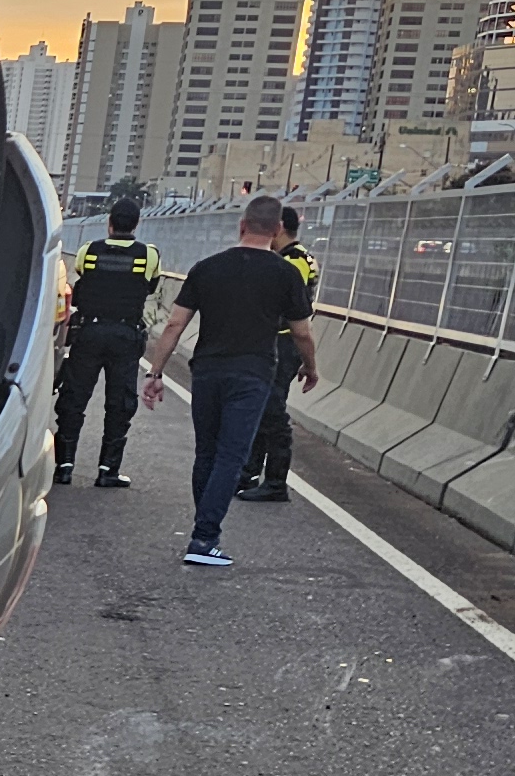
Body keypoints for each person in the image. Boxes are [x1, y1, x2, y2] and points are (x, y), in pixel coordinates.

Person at [144, 193, 317, 566]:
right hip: (253, 374)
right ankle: (204, 539)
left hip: (206, 371)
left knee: (206, 451)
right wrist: (310, 367)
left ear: (242, 225)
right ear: (276, 231)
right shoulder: (285, 273)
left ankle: (202, 529)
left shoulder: (206, 268)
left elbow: (174, 324)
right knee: (231, 455)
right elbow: (301, 332)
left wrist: (155, 372)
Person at [53, 196, 161, 488]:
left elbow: (83, 276)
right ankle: (107, 470)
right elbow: (151, 286)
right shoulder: (148, 255)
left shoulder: (89, 251)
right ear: (137, 224)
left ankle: (63, 466)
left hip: (89, 332)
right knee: (120, 403)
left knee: (73, 398)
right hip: (125, 335)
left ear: (109, 223)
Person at [237, 206, 319, 502]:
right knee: (262, 410)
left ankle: (275, 481)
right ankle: (248, 474)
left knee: (273, 412)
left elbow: (290, 311)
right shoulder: (298, 258)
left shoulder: (292, 263)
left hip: (283, 342)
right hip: (281, 343)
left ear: (280, 227)